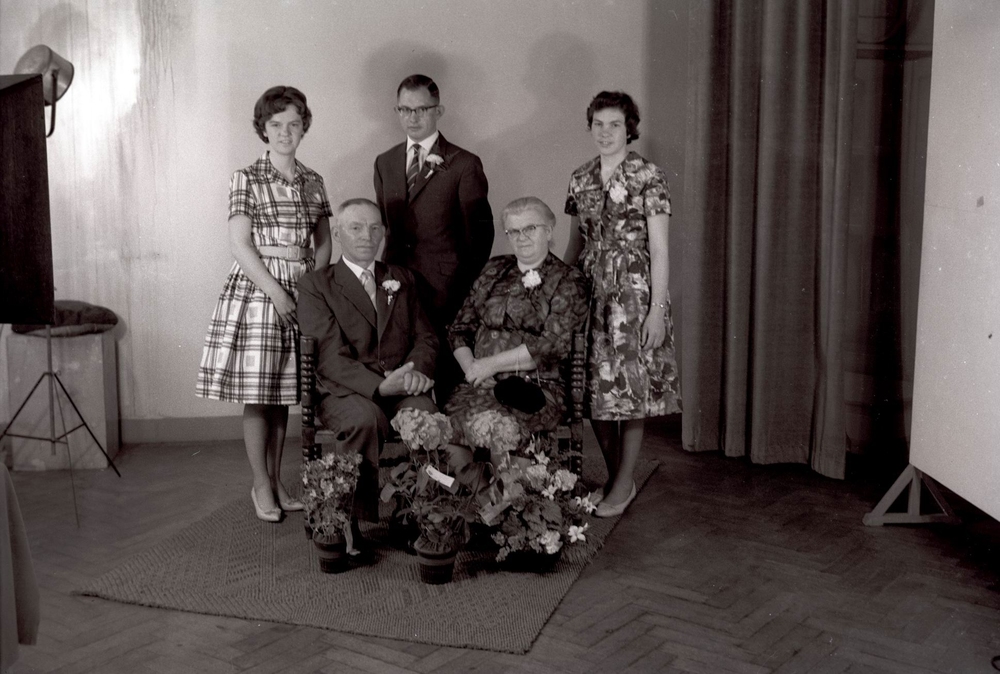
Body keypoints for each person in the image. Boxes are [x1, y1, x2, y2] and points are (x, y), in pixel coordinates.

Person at [197, 86, 332, 522]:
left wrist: (311, 288)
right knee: (260, 394)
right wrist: (276, 291)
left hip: (302, 287)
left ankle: (276, 481)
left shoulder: (314, 181)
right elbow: (240, 244)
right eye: (276, 124)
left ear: (304, 127)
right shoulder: (246, 177)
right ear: (263, 129)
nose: (285, 132)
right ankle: (260, 483)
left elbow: (324, 244)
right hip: (261, 289)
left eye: (293, 124)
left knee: (284, 393)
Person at [563, 91, 682, 518]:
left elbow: (660, 249)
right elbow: (574, 245)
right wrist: (559, 296)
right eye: (598, 124)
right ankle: (621, 480)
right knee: (593, 388)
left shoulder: (648, 176)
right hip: (590, 292)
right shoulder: (580, 177)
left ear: (629, 128)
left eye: (614, 124)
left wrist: (657, 312)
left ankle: (622, 481)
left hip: (633, 295)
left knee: (631, 390)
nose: (605, 132)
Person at [297, 198, 438, 555]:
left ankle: (414, 510)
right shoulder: (317, 285)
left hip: (401, 385)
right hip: (345, 390)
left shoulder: (401, 278)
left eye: (375, 228)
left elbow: (426, 337)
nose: (367, 236)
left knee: (426, 416)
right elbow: (329, 357)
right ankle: (348, 518)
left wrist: (416, 371)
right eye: (356, 228)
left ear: (384, 233)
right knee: (365, 419)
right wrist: (378, 386)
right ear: (338, 234)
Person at [373, 74, 494, 401]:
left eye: (422, 109)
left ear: (438, 111)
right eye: (405, 109)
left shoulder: (463, 164)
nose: (412, 117)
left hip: (446, 291)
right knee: (406, 373)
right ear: (397, 111)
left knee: (446, 375)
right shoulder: (385, 163)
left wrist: (459, 289)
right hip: (398, 287)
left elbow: (481, 238)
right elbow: (387, 227)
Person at [445, 197, 589, 449]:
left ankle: (507, 474)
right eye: (513, 231)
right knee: (450, 427)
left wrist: (489, 365)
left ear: (548, 231)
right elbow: (459, 329)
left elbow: (550, 346)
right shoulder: (494, 268)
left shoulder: (568, 279)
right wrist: (474, 371)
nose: (521, 237)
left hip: (535, 387)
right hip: (480, 383)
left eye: (529, 228)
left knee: (498, 426)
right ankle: (468, 476)